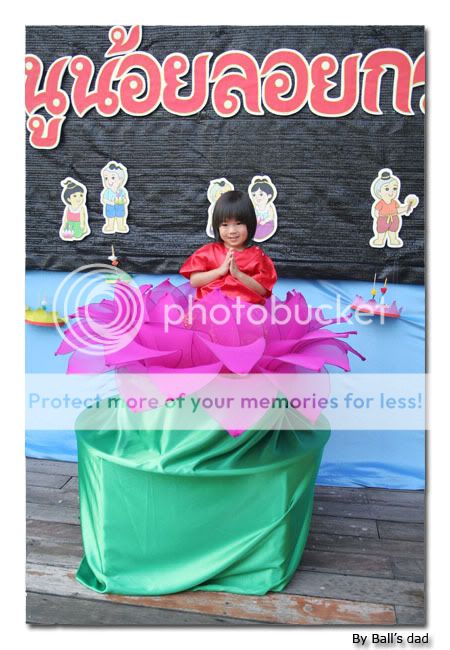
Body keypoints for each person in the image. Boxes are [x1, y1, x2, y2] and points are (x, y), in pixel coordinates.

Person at [180, 190, 277, 305]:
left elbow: (263, 291)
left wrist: (238, 274)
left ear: (250, 224)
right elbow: (194, 281)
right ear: (217, 226)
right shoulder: (209, 252)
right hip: (210, 308)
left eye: (238, 223)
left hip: (245, 310)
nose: (232, 231)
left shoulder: (256, 256)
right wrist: (220, 271)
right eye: (225, 225)